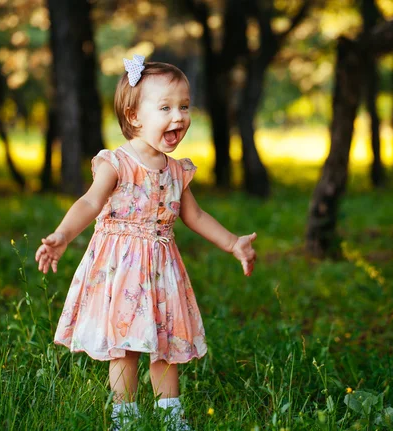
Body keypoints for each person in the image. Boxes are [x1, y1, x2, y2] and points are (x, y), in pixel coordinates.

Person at [35, 55, 257, 430]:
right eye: (166, 107)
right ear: (134, 115)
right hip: (121, 270)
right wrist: (62, 235)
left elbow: (195, 216)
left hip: (161, 270)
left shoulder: (177, 170)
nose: (179, 116)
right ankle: (126, 417)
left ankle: (171, 416)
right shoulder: (117, 163)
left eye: (185, 107)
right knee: (125, 346)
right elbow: (89, 202)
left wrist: (233, 242)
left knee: (165, 343)